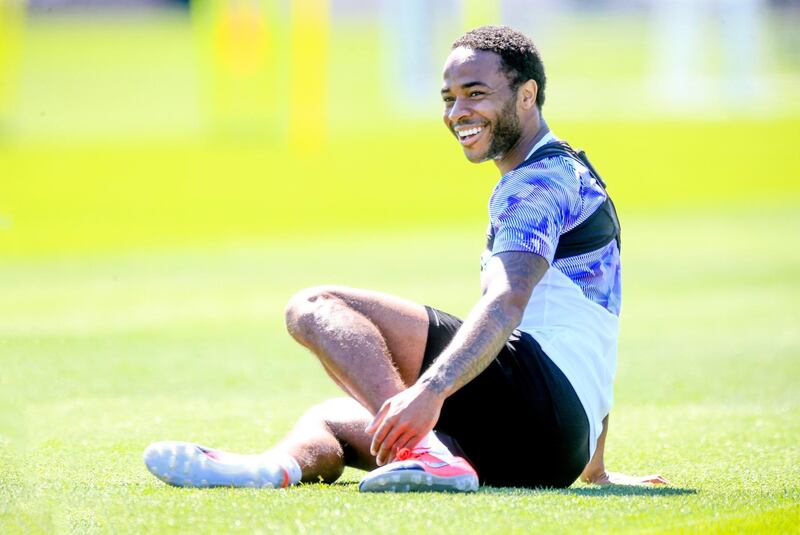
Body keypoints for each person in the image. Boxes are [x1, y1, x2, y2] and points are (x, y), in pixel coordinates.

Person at [143, 25, 667, 492]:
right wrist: (592, 465)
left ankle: (424, 453)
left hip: (540, 410)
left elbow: (508, 300)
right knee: (333, 419)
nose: (458, 112)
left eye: (476, 94)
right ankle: (262, 471)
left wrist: (432, 392)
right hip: (552, 452)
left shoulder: (535, 183)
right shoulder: (573, 172)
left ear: (527, 95)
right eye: (450, 98)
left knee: (313, 305)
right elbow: (595, 325)